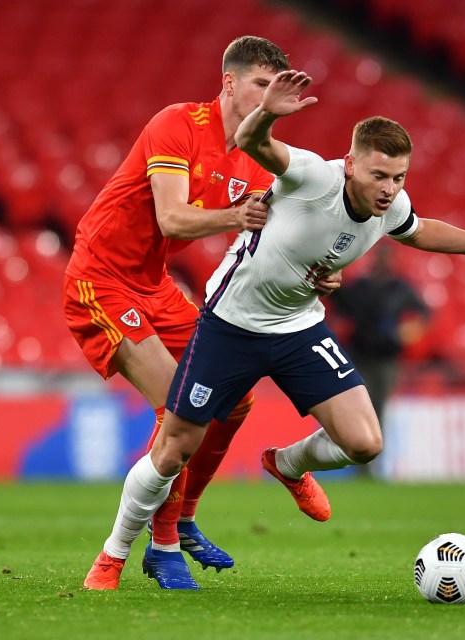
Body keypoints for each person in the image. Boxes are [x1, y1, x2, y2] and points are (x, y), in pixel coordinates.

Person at [86, 69, 465, 588]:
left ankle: (286, 464)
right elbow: (251, 141)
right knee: (174, 448)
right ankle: (112, 555)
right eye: (379, 175)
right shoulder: (310, 175)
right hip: (231, 324)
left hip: (298, 328)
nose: (389, 189)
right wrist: (269, 110)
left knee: (365, 442)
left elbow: (421, 231)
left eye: (399, 177)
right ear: (351, 163)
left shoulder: (390, 205)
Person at [66, 36, 334, 590]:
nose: (270, 95)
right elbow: (171, 220)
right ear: (231, 83)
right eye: (262, 84)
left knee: (232, 398)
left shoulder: (260, 162)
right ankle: (147, 551)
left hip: (155, 285)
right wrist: (239, 216)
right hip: (100, 277)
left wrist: (318, 271)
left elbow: (281, 239)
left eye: (277, 86)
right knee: (177, 408)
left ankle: (183, 519)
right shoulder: (178, 124)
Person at [330, 242, 431, 463]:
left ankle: (373, 460)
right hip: (360, 356)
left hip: (387, 359)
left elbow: (423, 312)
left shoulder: (399, 288)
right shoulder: (361, 287)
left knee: (379, 407)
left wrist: (408, 332)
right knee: (363, 408)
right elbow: (339, 302)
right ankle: (363, 461)